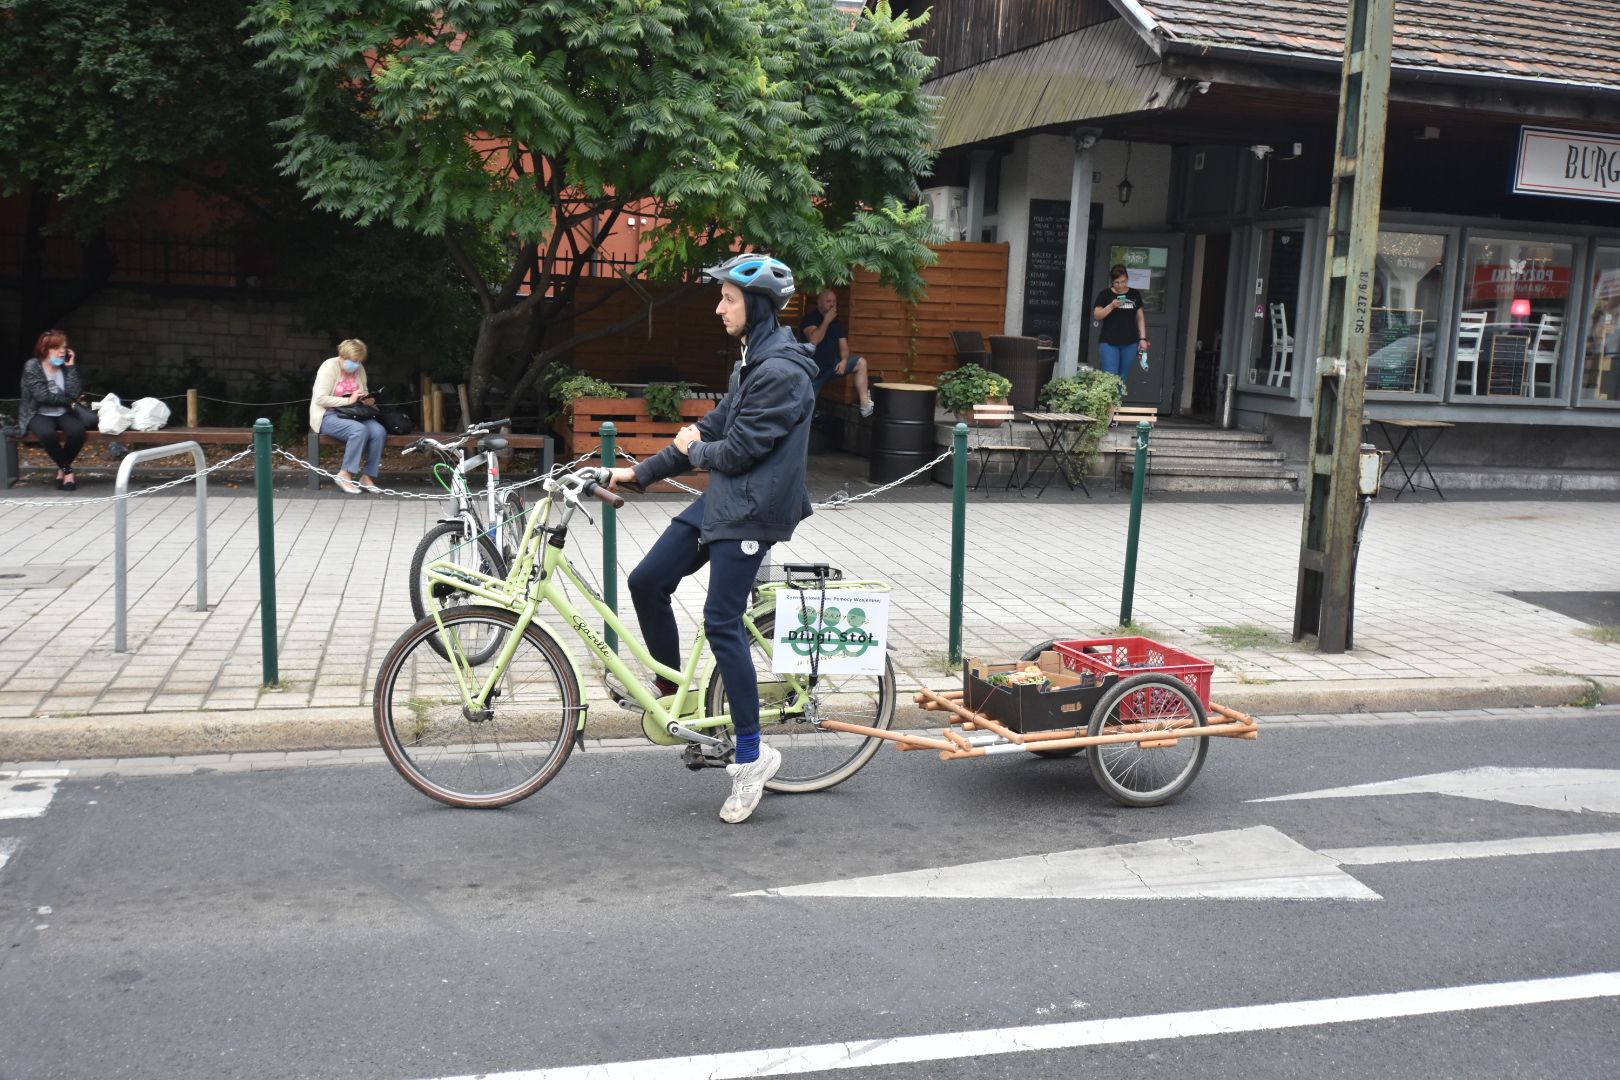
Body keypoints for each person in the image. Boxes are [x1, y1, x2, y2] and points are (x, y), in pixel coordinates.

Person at [609, 253, 817, 824]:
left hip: (753, 511)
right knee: (647, 579)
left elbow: (737, 448)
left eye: (727, 298)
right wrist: (639, 473)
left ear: (757, 305)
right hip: (726, 500)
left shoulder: (782, 372)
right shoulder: (754, 361)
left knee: (721, 622)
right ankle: (669, 695)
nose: (718, 306)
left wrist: (695, 449)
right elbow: (714, 425)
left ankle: (752, 757)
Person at [309, 339, 385, 494]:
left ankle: (368, 476)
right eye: (354, 361)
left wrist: (368, 400)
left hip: (355, 413)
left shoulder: (359, 369)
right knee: (358, 430)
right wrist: (347, 400)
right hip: (329, 414)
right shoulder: (329, 367)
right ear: (342, 358)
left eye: (360, 361)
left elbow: (363, 390)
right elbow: (320, 398)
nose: (357, 364)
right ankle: (345, 475)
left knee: (379, 431)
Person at [18, 330, 87, 491]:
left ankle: (61, 469)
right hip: (37, 413)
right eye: (56, 348)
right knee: (47, 434)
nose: (62, 351)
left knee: (77, 431)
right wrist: (69, 400)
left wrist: (71, 368)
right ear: (45, 349)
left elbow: (76, 392)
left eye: (64, 347)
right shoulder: (33, 366)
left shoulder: (64, 367)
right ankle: (68, 471)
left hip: (63, 412)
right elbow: (42, 396)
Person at [800, 288, 872, 417]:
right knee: (805, 411)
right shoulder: (810, 319)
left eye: (834, 301)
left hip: (831, 366)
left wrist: (844, 361)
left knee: (861, 363)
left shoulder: (837, 323)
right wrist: (826, 321)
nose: (832, 305)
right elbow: (814, 340)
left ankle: (864, 404)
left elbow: (844, 348)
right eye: (828, 301)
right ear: (819, 303)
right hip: (812, 372)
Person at [1092, 265, 1151, 381]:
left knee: (1122, 377)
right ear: (1112, 281)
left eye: (1123, 282)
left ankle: (1117, 399)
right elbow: (1097, 316)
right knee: (1110, 377)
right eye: (1116, 282)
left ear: (1127, 279)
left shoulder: (1134, 294)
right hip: (1109, 341)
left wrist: (1143, 338)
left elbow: (1140, 317)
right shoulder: (1105, 294)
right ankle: (1110, 399)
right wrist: (1111, 306)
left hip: (1130, 342)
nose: (1120, 285)